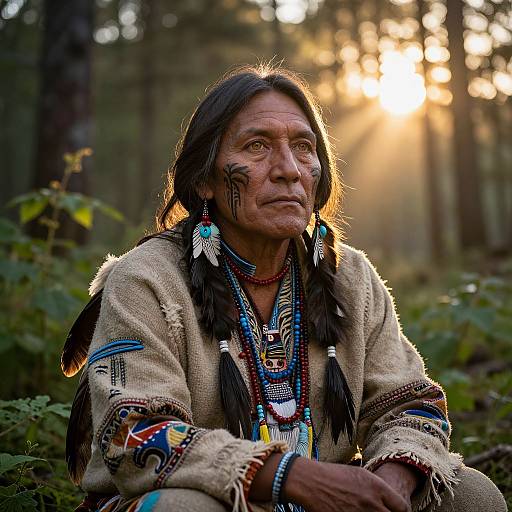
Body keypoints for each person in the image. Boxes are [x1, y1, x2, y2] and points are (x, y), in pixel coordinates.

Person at [62, 65, 506, 512]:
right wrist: (293, 477)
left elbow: (411, 403)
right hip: (212, 501)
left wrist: (390, 484)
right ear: (205, 179)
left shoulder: (349, 277)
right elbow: (134, 433)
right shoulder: (147, 280)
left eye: (303, 147)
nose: (289, 170)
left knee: (473, 496)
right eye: (257, 146)